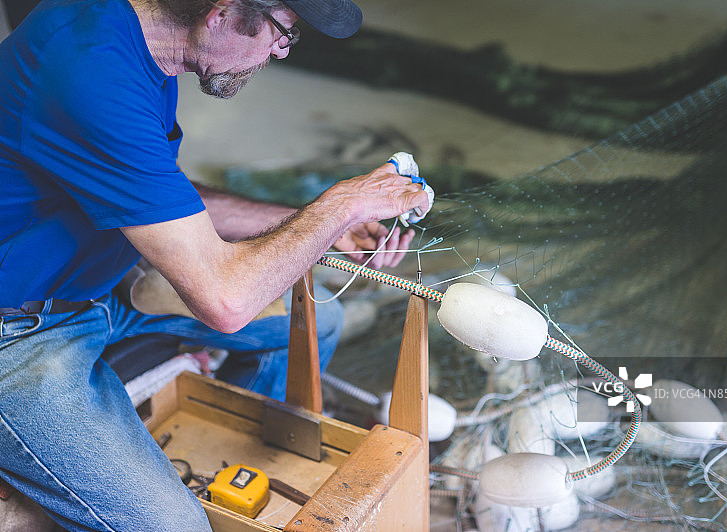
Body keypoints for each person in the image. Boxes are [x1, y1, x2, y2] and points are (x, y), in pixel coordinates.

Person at [0, 0, 429, 528]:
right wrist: (340, 205)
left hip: (94, 286)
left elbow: (160, 191)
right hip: (19, 332)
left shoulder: (136, 40)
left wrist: (308, 221)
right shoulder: (90, 73)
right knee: (175, 527)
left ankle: (228, 479)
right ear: (221, 12)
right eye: (282, 32)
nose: (278, 51)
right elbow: (226, 303)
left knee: (314, 325)